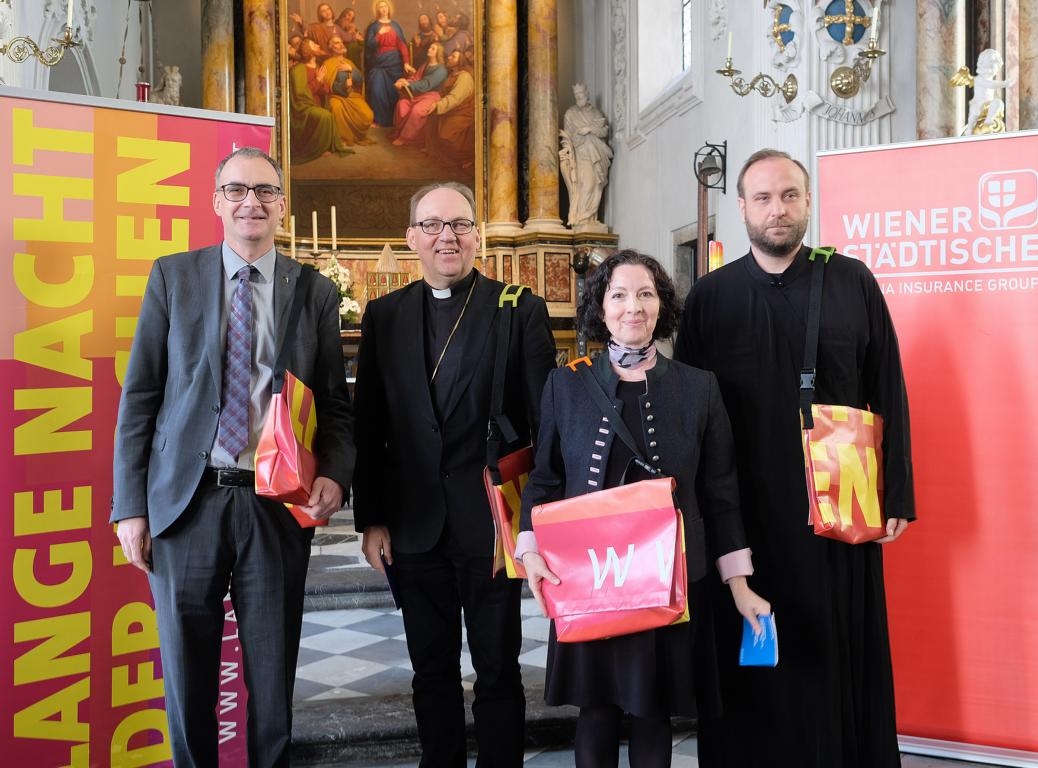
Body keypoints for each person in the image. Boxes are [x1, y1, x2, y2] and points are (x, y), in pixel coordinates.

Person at [110, 147, 355, 766]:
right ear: (217, 201)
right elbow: (141, 396)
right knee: (188, 675)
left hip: (273, 502)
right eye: (238, 190)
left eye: (266, 191)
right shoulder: (174, 275)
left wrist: (335, 473)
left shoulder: (315, 291)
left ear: (281, 205)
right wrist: (129, 507)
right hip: (185, 503)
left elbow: (335, 402)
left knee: (272, 678)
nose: (253, 201)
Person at [673, 148, 914, 768]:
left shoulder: (852, 280)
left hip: (836, 503)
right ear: (742, 209)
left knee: (836, 644)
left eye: (788, 195)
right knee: (751, 648)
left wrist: (897, 494)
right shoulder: (708, 298)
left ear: (807, 202)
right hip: (742, 507)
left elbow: (887, 386)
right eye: (762, 198)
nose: (776, 210)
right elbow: (688, 411)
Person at [517, 250, 770, 768]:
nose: (633, 307)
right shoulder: (565, 384)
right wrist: (530, 553)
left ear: (662, 307)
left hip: (668, 578)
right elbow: (544, 478)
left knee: (654, 714)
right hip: (590, 579)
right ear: (600, 308)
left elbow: (720, 491)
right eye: (619, 295)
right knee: (596, 712)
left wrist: (739, 584)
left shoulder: (699, 387)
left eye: (645, 294)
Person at [352, 182, 557, 767]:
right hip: (414, 527)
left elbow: (546, 424)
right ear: (412, 237)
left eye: (461, 224)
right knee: (430, 670)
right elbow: (370, 426)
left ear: (477, 236)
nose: (449, 235)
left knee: (498, 669)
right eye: (434, 225)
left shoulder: (517, 307)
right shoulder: (384, 316)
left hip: (492, 525)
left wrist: (535, 522)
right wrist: (372, 520)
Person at [560, 83, 613, 228]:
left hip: (595, 153)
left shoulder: (596, 113)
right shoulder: (570, 114)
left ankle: (590, 218)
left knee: (596, 184)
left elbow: (603, 132)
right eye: (576, 95)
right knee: (586, 184)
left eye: (581, 94)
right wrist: (567, 150)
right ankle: (583, 217)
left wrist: (588, 129)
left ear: (587, 94)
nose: (579, 97)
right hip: (580, 153)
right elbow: (567, 137)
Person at [364, 0, 413, 127]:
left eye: (385, 6)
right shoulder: (374, 26)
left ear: (389, 9)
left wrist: (406, 62)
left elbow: (402, 45)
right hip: (378, 63)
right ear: (377, 10)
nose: (384, 9)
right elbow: (369, 45)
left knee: (393, 91)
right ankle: (380, 120)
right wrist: (379, 34)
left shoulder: (395, 25)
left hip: (394, 62)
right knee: (376, 88)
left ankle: (394, 120)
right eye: (381, 7)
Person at [319, 35, 375, 146]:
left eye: (341, 42)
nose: (341, 44)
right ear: (331, 47)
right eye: (336, 42)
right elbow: (327, 84)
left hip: (352, 96)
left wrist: (351, 70)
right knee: (335, 107)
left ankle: (356, 135)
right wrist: (343, 86)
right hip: (336, 97)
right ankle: (342, 138)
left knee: (368, 115)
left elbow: (360, 81)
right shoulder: (327, 63)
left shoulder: (349, 62)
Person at [424, 49, 475, 167]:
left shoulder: (464, 77)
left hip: (464, 112)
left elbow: (455, 98)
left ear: (460, 61)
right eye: (450, 55)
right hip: (452, 109)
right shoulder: (452, 75)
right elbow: (443, 94)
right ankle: (436, 151)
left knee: (445, 134)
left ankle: (466, 157)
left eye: (454, 57)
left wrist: (437, 105)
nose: (449, 58)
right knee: (431, 118)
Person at [391, 41, 447, 147]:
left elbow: (427, 84)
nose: (429, 49)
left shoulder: (441, 70)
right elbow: (416, 78)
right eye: (430, 47)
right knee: (402, 104)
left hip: (432, 96)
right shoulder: (425, 65)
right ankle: (398, 133)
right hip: (419, 95)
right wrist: (404, 81)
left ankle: (406, 138)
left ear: (438, 53)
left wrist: (407, 84)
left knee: (417, 110)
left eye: (433, 48)